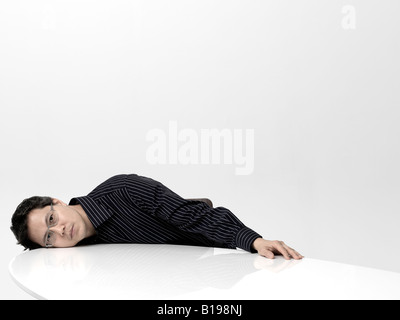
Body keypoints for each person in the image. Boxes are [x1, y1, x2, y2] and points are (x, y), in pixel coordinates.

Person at [10, 173, 303, 260]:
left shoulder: (125, 189)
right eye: (49, 239)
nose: (60, 231)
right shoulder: (79, 252)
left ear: (56, 202)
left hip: (215, 264)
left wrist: (254, 241)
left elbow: (196, 218)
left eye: (51, 220)